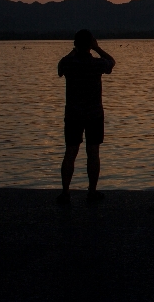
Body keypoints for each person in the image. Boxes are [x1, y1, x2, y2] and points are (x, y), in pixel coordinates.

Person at [56, 30, 115, 204]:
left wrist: (74, 51)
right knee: (93, 152)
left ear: (75, 44)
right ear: (90, 44)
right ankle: (92, 191)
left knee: (70, 152)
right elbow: (111, 63)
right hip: (94, 113)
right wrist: (97, 48)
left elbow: (60, 68)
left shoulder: (68, 63)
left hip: (73, 113)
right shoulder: (96, 64)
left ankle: (65, 192)